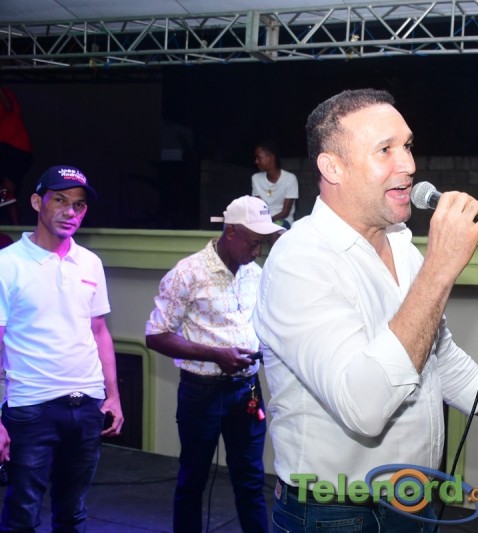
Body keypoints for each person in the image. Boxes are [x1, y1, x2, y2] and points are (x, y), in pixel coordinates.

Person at [253, 88, 478, 532]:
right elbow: (364, 409)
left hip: (417, 500)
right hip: (339, 514)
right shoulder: (299, 260)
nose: (409, 164)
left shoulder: (401, 246)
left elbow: (441, 361)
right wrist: (440, 268)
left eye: (408, 146)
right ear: (332, 167)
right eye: (385, 150)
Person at [145, 195, 285, 533]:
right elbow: (156, 335)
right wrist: (216, 355)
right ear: (231, 231)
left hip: (247, 391)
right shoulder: (188, 273)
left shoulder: (255, 273)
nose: (257, 251)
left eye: (263, 244)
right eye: (253, 242)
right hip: (202, 392)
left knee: (251, 481)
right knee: (193, 480)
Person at [0, 165, 124, 531]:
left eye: (79, 205)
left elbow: (99, 332)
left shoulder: (90, 263)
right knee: (22, 515)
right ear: (36, 202)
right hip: (30, 406)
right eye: (60, 200)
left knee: (73, 514)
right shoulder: (7, 264)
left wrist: (112, 397)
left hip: (86, 405)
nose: (70, 212)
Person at [0, 86, 34, 225]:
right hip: (14, 150)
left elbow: (9, 106)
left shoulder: (5, 96)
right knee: (7, 193)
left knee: (7, 192)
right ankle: (15, 226)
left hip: (14, 149)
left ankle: (15, 227)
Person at [251, 139, 299, 228]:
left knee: (277, 228)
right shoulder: (256, 178)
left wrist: (267, 222)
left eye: (259, 157)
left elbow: (285, 212)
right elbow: (258, 207)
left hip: (283, 221)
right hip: (263, 221)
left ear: (271, 158)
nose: (256, 161)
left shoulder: (290, 179)